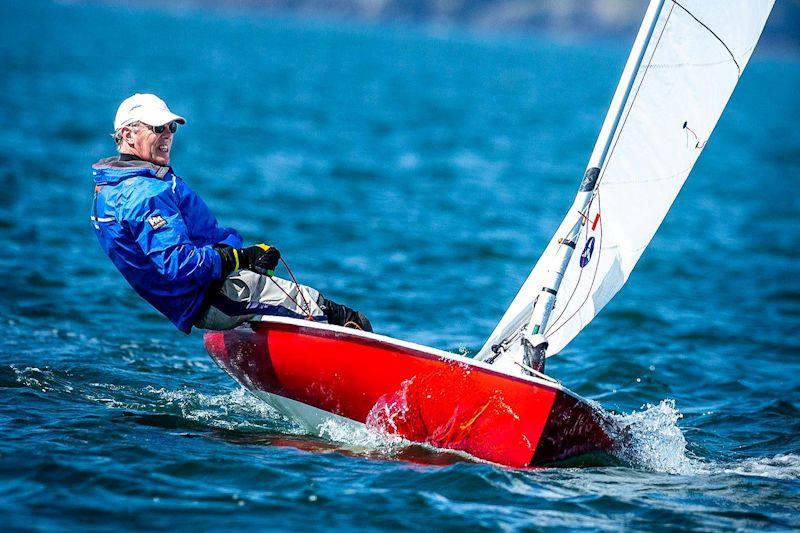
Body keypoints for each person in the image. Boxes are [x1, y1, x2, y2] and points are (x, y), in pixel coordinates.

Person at [91, 93, 372, 334]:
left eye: (171, 129)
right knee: (341, 317)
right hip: (214, 295)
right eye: (157, 128)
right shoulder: (144, 194)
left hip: (207, 290)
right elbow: (181, 265)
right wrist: (242, 257)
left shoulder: (109, 189)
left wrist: (243, 259)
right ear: (128, 134)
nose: (167, 136)